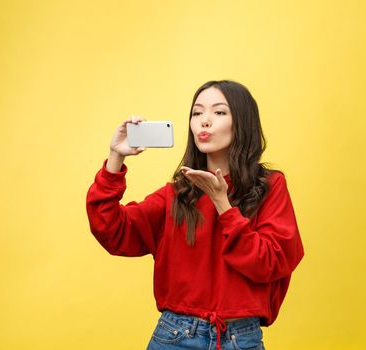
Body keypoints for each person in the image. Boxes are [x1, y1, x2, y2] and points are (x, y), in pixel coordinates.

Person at [86, 80, 304, 350]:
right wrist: (115, 158)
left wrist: (222, 204)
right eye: (197, 113)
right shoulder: (176, 195)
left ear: (242, 122)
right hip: (175, 337)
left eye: (219, 112)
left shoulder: (270, 187)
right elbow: (111, 231)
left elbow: (271, 263)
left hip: (240, 338)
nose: (204, 121)